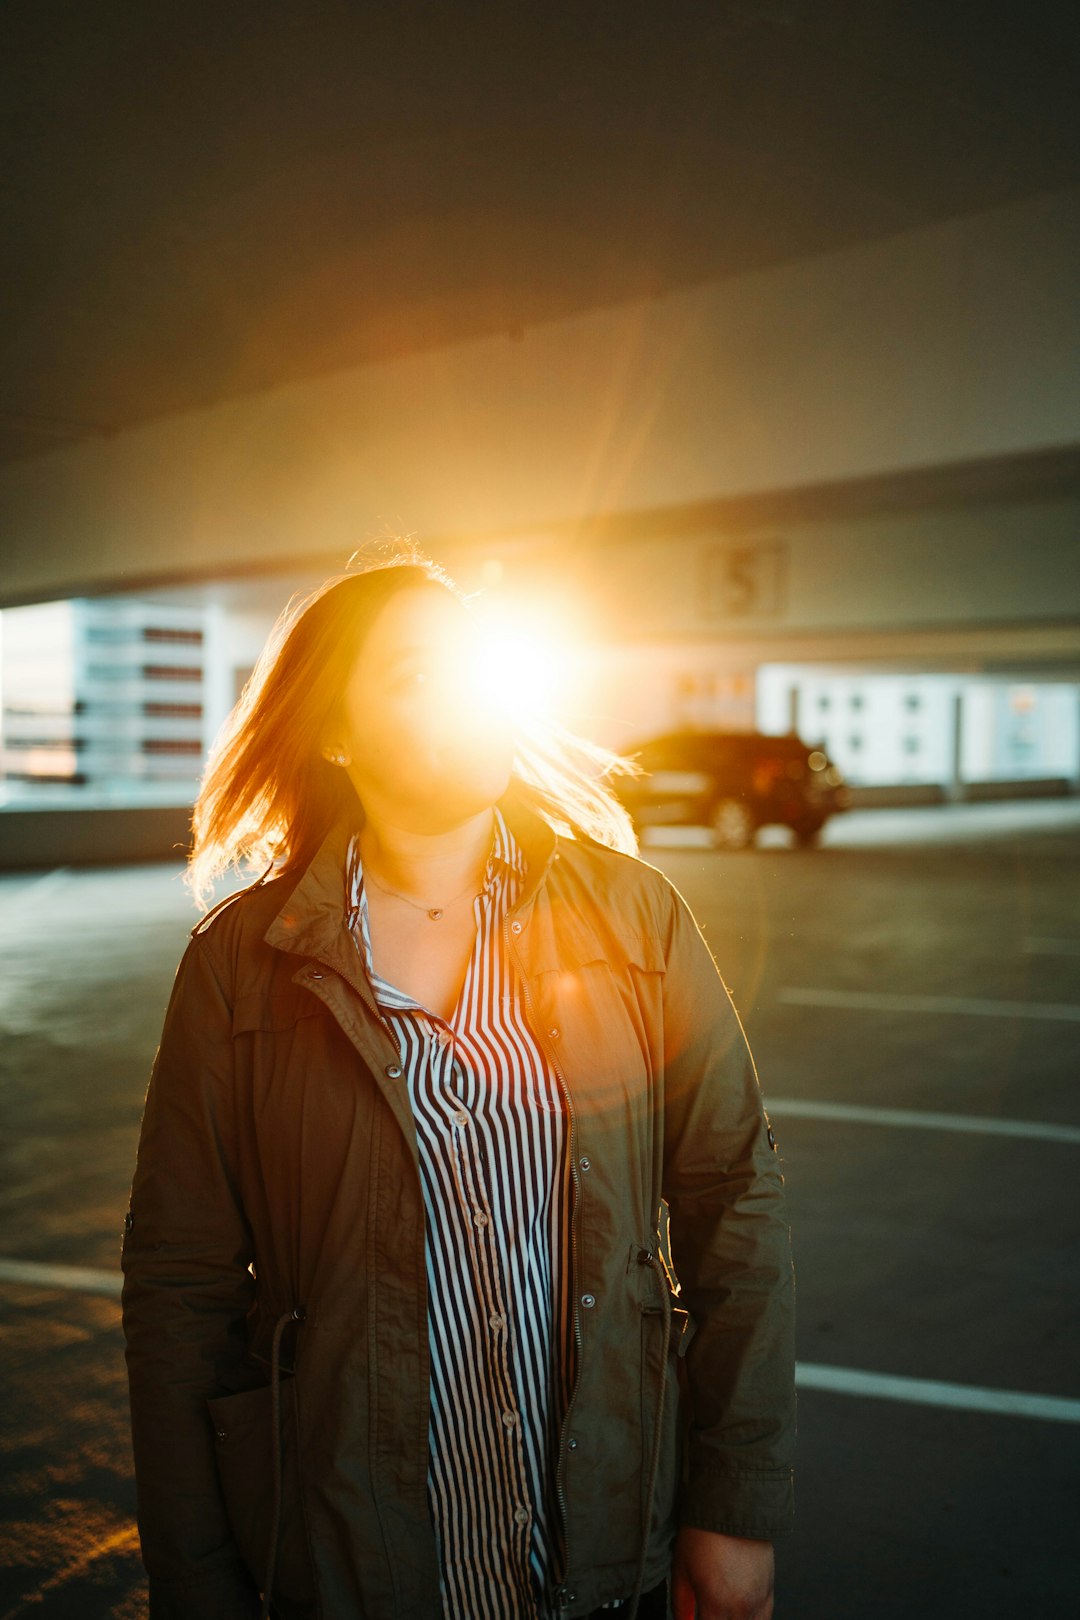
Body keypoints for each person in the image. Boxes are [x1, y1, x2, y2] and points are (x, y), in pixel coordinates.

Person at [120, 546, 797, 1620]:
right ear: (336, 732)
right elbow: (181, 1291)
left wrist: (735, 1503)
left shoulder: (635, 917)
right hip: (351, 1563)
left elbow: (731, 1204)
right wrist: (198, 1586)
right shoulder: (238, 967)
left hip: (608, 1552)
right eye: (413, 675)